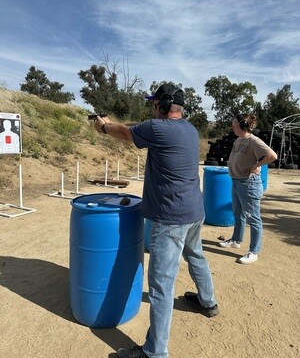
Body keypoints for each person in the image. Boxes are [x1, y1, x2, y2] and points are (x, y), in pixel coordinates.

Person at [94, 83, 218, 358]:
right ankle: (208, 301)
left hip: (170, 217)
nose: (152, 108)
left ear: (161, 107)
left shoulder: (157, 128)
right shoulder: (190, 129)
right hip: (194, 211)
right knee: (196, 255)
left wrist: (103, 127)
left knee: (161, 284)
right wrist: (113, 121)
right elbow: (138, 126)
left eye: (154, 104)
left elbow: (128, 133)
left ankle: (155, 352)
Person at [219, 114, 277, 264]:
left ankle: (254, 251)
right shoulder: (238, 140)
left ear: (243, 125)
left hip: (248, 184)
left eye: (234, 124)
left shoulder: (254, 141)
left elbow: (272, 155)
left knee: (253, 218)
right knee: (238, 213)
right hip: (236, 181)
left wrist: (256, 165)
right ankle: (236, 240)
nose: (232, 127)